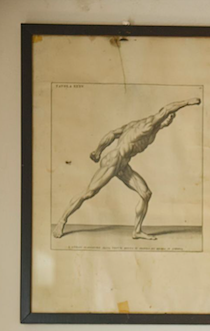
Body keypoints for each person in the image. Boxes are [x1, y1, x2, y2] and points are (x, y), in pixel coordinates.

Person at [54, 98, 201, 240]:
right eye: (170, 116)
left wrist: (98, 150)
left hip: (123, 164)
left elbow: (113, 133)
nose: (171, 119)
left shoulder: (140, 126)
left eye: (173, 117)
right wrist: (187, 103)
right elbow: (167, 108)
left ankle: (137, 231)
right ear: (162, 116)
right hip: (114, 160)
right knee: (89, 192)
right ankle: (62, 221)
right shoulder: (148, 124)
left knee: (146, 193)